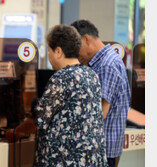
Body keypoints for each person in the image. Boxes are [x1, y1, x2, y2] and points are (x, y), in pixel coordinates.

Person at [33, 24, 108, 166]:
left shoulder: (61, 78)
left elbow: (41, 119)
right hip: (90, 158)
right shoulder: (91, 74)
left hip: (65, 159)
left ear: (58, 51)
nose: (48, 56)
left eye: (49, 51)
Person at [71, 20, 131, 167]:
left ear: (86, 39)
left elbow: (100, 112)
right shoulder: (105, 61)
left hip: (102, 148)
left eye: (75, 47)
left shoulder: (106, 65)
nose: (75, 54)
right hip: (104, 148)